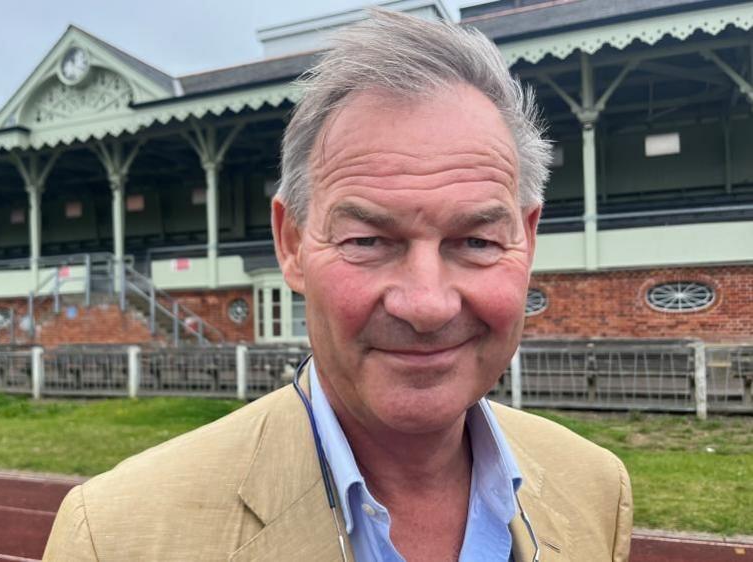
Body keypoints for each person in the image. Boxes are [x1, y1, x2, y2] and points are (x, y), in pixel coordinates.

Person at [43, 10, 632, 562]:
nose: (426, 304)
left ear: (526, 241)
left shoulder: (596, 490)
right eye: (368, 242)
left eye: (476, 242)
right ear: (292, 244)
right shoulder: (115, 536)